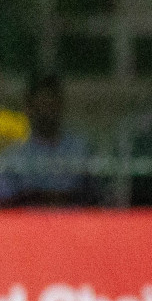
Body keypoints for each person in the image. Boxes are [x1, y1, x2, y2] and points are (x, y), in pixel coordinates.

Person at [0, 74, 93, 207]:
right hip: (29, 225)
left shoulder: (81, 149)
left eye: (52, 105)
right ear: (28, 108)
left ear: (61, 106)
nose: (47, 112)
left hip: (75, 223)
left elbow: (93, 197)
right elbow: (6, 202)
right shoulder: (13, 158)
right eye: (42, 105)